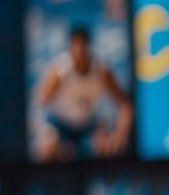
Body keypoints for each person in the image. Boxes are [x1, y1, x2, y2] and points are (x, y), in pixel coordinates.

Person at [36, 25, 133, 160]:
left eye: (83, 45)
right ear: (69, 48)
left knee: (106, 146)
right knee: (47, 150)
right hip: (60, 124)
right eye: (75, 45)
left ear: (89, 47)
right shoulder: (59, 71)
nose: (79, 50)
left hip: (88, 124)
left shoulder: (101, 70)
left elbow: (124, 104)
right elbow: (41, 103)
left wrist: (120, 135)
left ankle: (100, 181)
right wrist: (44, 133)